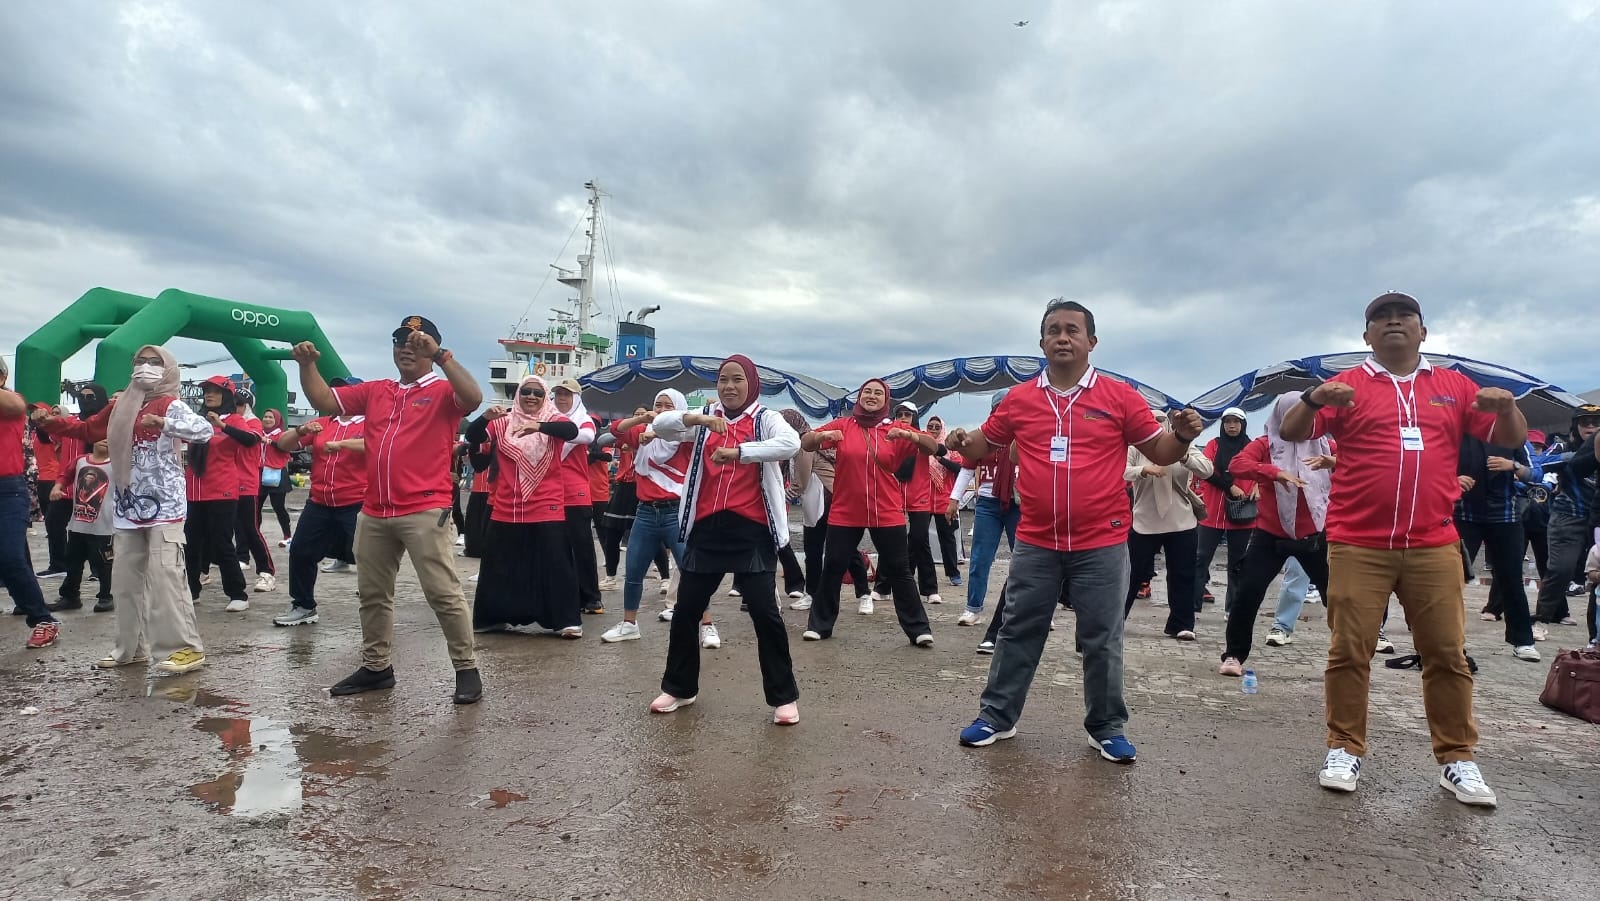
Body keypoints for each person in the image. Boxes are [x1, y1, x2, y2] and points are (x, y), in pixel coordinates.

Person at [1280, 291, 1526, 807]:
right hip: (1356, 542)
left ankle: (1458, 759)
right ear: (1366, 335)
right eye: (1380, 319)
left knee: (1446, 653)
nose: (1393, 323)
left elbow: (1508, 439)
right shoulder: (1347, 386)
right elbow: (1293, 432)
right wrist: (1313, 400)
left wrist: (1507, 407)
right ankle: (1343, 748)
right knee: (1350, 650)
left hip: (1434, 542)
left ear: (1422, 331)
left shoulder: (1454, 386)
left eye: (1404, 317)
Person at [947, 299, 1204, 761]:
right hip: (1036, 540)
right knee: (1017, 629)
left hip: (1102, 541)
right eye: (1053, 330)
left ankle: (1106, 726)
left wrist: (1182, 435)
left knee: (1102, 636)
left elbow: (1160, 453)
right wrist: (960, 441)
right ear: (1041, 342)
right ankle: (996, 717)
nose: (1062, 337)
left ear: (1092, 341)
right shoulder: (1020, 400)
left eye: (1072, 330)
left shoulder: (1120, 397)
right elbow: (982, 445)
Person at [292, 315, 485, 705]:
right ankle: (376, 667)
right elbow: (324, 401)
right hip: (375, 509)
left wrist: (443, 356)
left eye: (417, 341)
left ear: (432, 347)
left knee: (443, 593)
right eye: (400, 339)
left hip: (424, 508)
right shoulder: (378, 390)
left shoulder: (444, 390)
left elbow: (474, 398)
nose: (407, 346)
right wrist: (307, 365)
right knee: (373, 594)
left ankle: (466, 668)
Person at [647, 355, 802, 723]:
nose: (729, 387)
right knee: (685, 611)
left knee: (765, 613)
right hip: (707, 529)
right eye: (723, 380)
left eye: (737, 380)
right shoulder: (705, 417)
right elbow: (661, 425)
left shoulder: (765, 418)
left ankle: (783, 697)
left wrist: (741, 452)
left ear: (751, 383)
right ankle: (679, 688)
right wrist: (696, 418)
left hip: (751, 530)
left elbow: (790, 444)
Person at [38, 346, 213, 671]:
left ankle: (185, 648)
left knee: (166, 577)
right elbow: (88, 430)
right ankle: (131, 648)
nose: (145, 368)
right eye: (140, 362)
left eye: (154, 363)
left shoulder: (171, 404)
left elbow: (204, 431)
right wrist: (52, 423)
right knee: (124, 580)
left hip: (165, 507)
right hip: (128, 506)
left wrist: (164, 423)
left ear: (168, 370)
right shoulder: (122, 406)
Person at [801, 379, 939, 645]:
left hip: (886, 511)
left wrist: (909, 435)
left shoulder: (895, 428)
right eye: (867, 392)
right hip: (845, 510)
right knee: (832, 565)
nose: (872, 396)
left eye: (878, 393)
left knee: (900, 569)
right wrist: (821, 437)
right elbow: (806, 443)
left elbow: (931, 447)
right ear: (859, 397)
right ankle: (819, 625)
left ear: (886, 400)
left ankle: (919, 629)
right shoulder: (843, 425)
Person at [1217, 394, 1336, 674]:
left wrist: (1335, 462)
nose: (1299, 422)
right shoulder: (1265, 443)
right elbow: (1237, 466)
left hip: (1316, 535)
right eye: (1292, 415)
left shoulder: (1324, 444)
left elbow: (1359, 464)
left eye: (1305, 415)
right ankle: (1234, 655)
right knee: (1247, 592)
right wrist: (1273, 472)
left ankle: (1349, 653)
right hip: (1271, 534)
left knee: (1338, 596)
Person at [465, 375, 583, 637]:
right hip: (507, 505)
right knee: (498, 566)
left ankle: (565, 620)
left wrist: (538, 426)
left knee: (555, 563)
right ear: (518, 395)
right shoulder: (502, 423)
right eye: (526, 392)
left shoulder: (552, 420)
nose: (531, 397)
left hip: (546, 503)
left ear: (545, 399)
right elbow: (472, 436)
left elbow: (572, 432)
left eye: (538, 393)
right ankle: (492, 618)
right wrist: (485, 417)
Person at [599, 390, 718, 646]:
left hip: (676, 513)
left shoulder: (687, 436)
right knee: (633, 571)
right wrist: (644, 418)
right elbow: (616, 429)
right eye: (658, 404)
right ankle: (629, 623)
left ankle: (706, 624)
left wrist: (666, 425)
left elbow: (707, 414)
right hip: (645, 512)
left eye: (668, 406)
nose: (662, 410)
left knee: (691, 571)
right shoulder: (643, 433)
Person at [269, 391, 367, 626]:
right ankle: (304, 605)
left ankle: (377, 607)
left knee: (368, 557)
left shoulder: (370, 422)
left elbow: (375, 444)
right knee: (301, 551)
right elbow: (282, 444)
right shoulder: (323, 423)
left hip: (357, 501)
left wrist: (343, 444)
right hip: (320, 501)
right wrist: (301, 431)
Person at [1122, 409, 1213, 639]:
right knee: (1130, 574)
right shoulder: (1134, 448)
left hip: (1181, 521)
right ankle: (1114, 620)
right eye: (1152, 423)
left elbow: (1207, 469)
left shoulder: (1185, 446)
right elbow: (1120, 472)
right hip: (1144, 521)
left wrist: (1181, 454)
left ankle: (1181, 624)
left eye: (1162, 422)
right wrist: (1144, 469)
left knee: (1183, 574)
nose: (1158, 426)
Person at [1455, 436, 1541, 661]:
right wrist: (1452, 479)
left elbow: (1537, 474)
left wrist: (1513, 466)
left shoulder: (1515, 435)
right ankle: (1446, 642)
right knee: (1450, 579)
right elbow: (1431, 464)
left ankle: (1523, 640)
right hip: (1463, 513)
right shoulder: (1458, 431)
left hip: (1505, 515)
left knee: (1511, 579)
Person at [3, 356, 62, 648]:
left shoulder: (12, 402)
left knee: (11, 557)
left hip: (7, 491)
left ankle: (43, 620)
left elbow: (15, 405)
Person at [184, 376, 254, 612]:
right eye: (206, 391)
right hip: (194, 491)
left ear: (227, 396)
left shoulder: (234, 419)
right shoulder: (196, 420)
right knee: (191, 544)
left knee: (221, 542)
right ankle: (191, 591)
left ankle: (238, 594)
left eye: (215, 391)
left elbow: (250, 440)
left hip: (221, 490)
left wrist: (223, 426)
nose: (209, 395)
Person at [950, 392, 1020, 627]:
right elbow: (967, 468)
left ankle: (1036, 610)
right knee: (980, 557)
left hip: (1019, 503)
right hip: (988, 502)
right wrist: (954, 500)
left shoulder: (1027, 434)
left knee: (1026, 559)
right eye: (1000, 408)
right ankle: (973, 608)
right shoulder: (984, 438)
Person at [869, 402, 945, 607]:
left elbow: (940, 448)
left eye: (908, 414)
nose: (903, 417)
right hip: (893, 493)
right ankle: (882, 587)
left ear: (915, 417)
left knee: (920, 540)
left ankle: (930, 589)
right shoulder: (888, 436)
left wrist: (913, 436)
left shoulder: (921, 436)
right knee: (890, 541)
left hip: (918, 494)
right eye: (900, 414)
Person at [1534, 405, 1599, 627]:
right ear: (1575, 425)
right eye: (1585, 422)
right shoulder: (1564, 446)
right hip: (1568, 518)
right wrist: (1570, 458)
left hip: (1597, 520)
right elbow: (1537, 465)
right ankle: (1542, 618)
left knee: (1596, 575)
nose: (1590, 426)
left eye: (1596, 422)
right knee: (1561, 569)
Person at [596, 413, 672, 591]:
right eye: (636, 415)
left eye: (643, 414)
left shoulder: (656, 435)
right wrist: (630, 429)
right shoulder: (628, 435)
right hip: (623, 488)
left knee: (654, 536)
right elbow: (603, 440)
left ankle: (665, 578)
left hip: (643, 488)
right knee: (612, 533)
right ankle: (611, 577)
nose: (640, 417)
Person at [549, 379, 605, 620]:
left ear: (576, 398)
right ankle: (563, 596)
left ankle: (591, 597)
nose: (562, 398)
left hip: (575, 493)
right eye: (559, 394)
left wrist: (550, 430)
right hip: (549, 491)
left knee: (581, 547)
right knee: (555, 548)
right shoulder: (548, 419)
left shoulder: (584, 419)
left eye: (567, 394)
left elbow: (587, 437)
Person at [1193, 407, 1255, 614]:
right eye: (1228, 421)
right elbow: (1207, 471)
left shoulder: (1252, 447)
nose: (1231, 426)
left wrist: (1258, 486)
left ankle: (1233, 610)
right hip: (1213, 512)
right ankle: (1192, 606)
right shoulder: (1214, 445)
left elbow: (1263, 469)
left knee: (1238, 563)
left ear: (1243, 424)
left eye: (1236, 422)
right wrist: (1229, 486)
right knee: (1201, 558)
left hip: (1242, 511)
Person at [46, 438, 115, 613]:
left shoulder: (117, 463)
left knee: (104, 563)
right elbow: (65, 475)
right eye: (99, 437)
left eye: (109, 437)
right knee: (72, 560)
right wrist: (57, 487)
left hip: (104, 526)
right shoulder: (80, 461)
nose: (104, 440)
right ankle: (70, 596)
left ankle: (106, 596)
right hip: (78, 524)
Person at [228, 387, 277, 593]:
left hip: (246, 482)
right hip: (227, 482)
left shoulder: (253, 424)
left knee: (250, 528)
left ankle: (267, 572)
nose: (235, 408)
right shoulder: (227, 422)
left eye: (239, 404)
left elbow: (247, 439)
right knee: (224, 528)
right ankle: (235, 560)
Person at [253, 408, 294, 549]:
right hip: (260, 473)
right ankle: (255, 535)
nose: (268, 419)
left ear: (277, 420)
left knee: (278, 507)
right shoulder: (257, 434)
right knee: (256, 507)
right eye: (265, 416)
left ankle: (288, 536)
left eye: (271, 417)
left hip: (276, 474)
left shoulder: (282, 435)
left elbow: (286, 448)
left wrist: (270, 442)